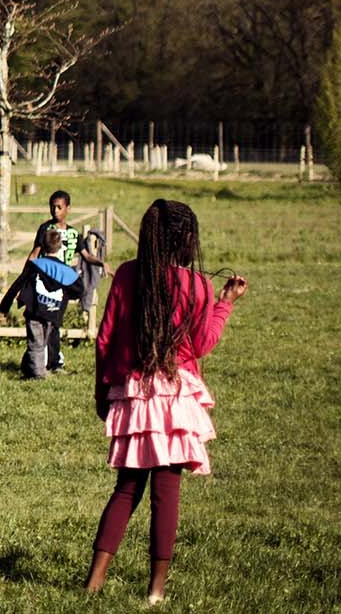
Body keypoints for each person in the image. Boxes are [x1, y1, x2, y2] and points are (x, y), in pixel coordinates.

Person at [82, 199, 246, 604]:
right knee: (166, 492)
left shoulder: (126, 275)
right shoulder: (197, 286)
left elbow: (105, 339)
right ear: (184, 241)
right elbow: (203, 343)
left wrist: (104, 394)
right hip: (174, 396)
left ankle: (93, 583)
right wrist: (225, 302)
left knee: (126, 489)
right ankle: (155, 591)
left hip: (134, 395)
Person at [0, 234, 85, 378]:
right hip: (54, 312)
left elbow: (18, 284)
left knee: (36, 343)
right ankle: (34, 371)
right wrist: (67, 294)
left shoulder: (35, 265)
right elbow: (80, 290)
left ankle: (36, 373)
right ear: (61, 248)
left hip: (35, 311)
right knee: (42, 342)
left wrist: (4, 306)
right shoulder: (67, 271)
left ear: (43, 247)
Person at [28, 190, 81, 266]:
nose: (55, 211)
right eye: (53, 207)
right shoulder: (45, 228)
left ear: (68, 208)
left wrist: (101, 263)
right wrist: (25, 275)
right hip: (46, 272)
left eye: (59, 207)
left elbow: (86, 255)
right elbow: (34, 254)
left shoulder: (73, 233)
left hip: (63, 274)